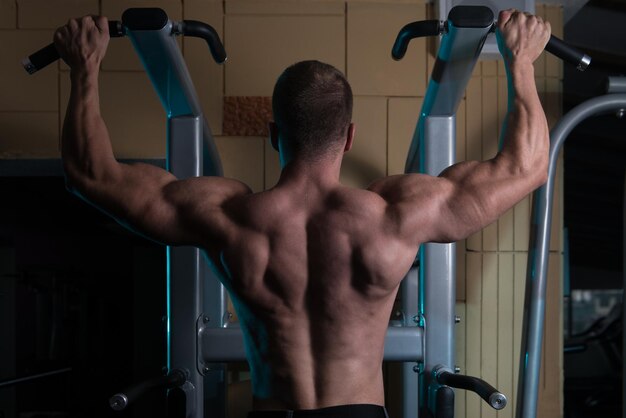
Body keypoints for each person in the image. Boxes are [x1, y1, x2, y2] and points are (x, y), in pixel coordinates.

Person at [53, 9, 550, 418]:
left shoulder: (228, 215)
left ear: (275, 135)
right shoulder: (393, 216)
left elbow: (90, 174)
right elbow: (526, 167)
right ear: (349, 135)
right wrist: (520, 62)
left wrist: (85, 67)